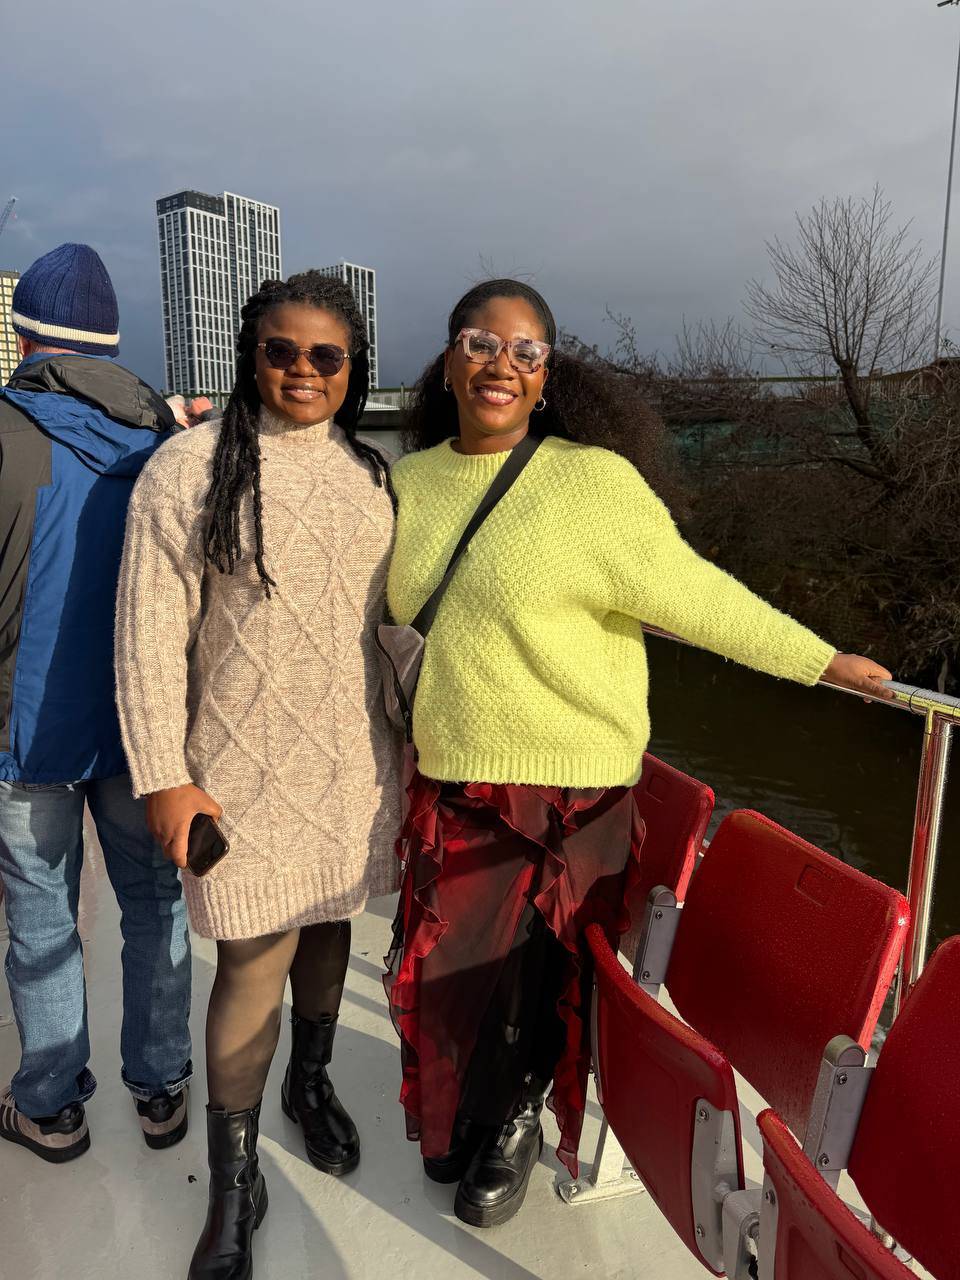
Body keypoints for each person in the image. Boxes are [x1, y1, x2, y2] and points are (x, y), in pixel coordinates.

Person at [384, 278, 894, 1229]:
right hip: (455, 774)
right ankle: (460, 1115)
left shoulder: (593, 483)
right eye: (480, 342)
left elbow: (695, 596)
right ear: (448, 360)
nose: (501, 365)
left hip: (573, 788)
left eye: (526, 351)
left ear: (548, 376)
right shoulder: (407, 482)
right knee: (455, 971)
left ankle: (514, 1123)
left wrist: (820, 660)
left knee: (539, 979)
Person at [115, 271, 400, 1279]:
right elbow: (148, 637)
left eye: (327, 355)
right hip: (236, 772)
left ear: (352, 367)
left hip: (355, 766)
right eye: (282, 350)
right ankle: (234, 1180)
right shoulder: (188, 469)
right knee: (250, 960)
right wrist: (162, 774)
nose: (303, 370)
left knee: (330, 924)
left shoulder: (370, 476)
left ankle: (308, 1083)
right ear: (251, 354)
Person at [0, 243, 192, 1163]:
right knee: (154, 907)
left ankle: (51, 1106)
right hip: (141, 731)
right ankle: (162, 1090)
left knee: (43, 922)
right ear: (111, 345)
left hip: (25, 733)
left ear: (24, 338)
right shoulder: (167, 444)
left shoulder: (6, 429)